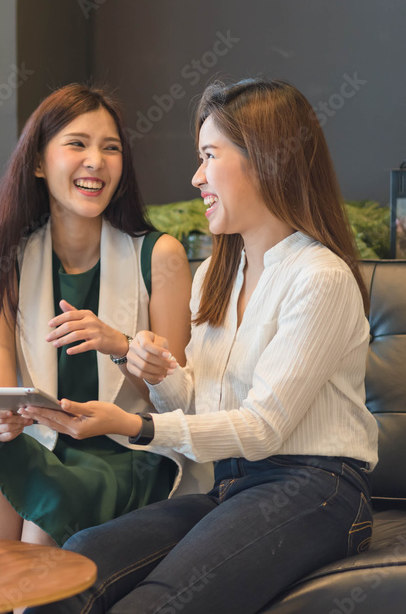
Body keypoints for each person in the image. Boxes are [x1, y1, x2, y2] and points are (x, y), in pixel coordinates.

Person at [24, 79, 378, 613]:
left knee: (161, 603)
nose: (196, 177)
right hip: (231, 483)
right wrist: (149, 367)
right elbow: (199, 407)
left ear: (264, 159)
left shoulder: (318, 277)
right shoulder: (218, 271)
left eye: (209, 156)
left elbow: (263, 428)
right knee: (75, 565)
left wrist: (132, 424)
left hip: (316, 489)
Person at [0, 84, 209, 548]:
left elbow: (175, 404)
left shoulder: (159, 256)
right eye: (77, 144)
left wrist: (120, 347)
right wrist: (0, 420)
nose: (96, 161)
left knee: (42, 500)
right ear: (37, 162)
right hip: (40, 443)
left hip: (126, 448)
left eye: (110, 148)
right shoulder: (2, 263)